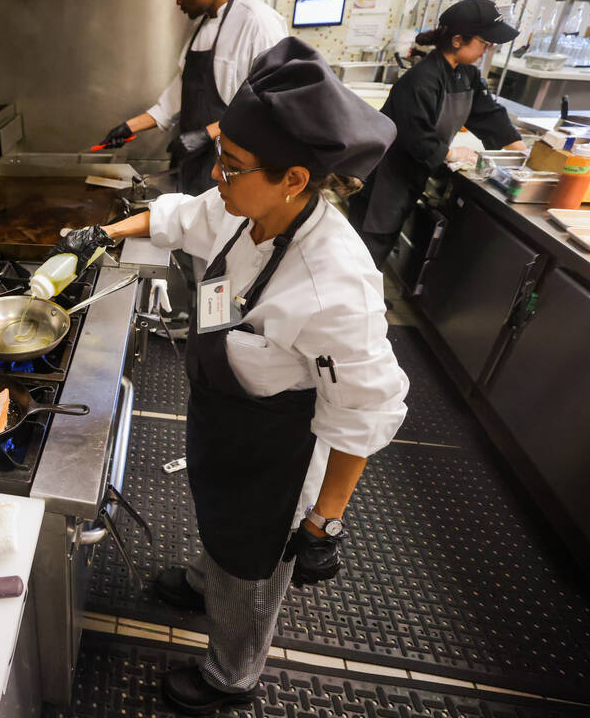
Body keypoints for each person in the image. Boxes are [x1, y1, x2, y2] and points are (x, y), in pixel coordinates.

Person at [55, 37, 409, 715]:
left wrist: (324, 525)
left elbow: (366, 410)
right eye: (222, 158)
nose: (218, 176)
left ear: (295, 179)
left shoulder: (335, 283)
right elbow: (181, 219)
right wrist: (105, 236)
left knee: (253, 568)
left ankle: (231, 675)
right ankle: (202, 579)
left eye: (235, 166)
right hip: (225, 414)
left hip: (279, 450)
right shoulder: (240, 205)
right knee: (215, 514)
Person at [95, 0, 287, 198]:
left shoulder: (258, 22)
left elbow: (272, 105)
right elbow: (177, 96)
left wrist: (206, 134)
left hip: (233, 168)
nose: (178, 0)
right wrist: (129, 127)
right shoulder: (202, 26)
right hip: (194, 164)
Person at [348, 0, 528, 267]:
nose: (487, 51)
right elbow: (415, 136)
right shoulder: (420, 80)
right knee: (367, 246)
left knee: (382, 244)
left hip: (409, 177)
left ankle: (362, 299)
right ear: (458, 40)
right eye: (484, 43)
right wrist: (451, 152)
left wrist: (518, 150)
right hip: (384, 179)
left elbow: (488, 113)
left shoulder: (466, 74)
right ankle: (351, 303)